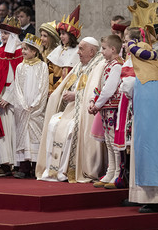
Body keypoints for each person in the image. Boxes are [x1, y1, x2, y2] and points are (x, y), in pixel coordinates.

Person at [121, 25, 158, 213]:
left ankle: (155, 200)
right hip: (156, 122)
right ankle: (154, 197)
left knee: (150, 149)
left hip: (149, 123)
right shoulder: (156, 73)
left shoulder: (146, 77)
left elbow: (127, 87)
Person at [36, 37, 106, 183]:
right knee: (54, 123)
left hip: (87, 111)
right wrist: (60, 95)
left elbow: (95, 91)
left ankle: (69, 169)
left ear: (92, 52)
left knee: (69, 128)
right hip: (73, 108)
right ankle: (56, 169)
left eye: (81, 49)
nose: (78, 52)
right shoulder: (81, 65)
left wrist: (76, 95)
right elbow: (67, 84)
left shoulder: (99, 65)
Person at [0, 16, 23, 177]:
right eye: (1, 33)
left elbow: (20, 78)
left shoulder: (21, 53)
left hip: (15, 98)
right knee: (3, 132)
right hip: (0, 98)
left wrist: (9, 96)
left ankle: (18, 164)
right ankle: (5, 164)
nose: (3, 36)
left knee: (15, 131)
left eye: (6, 34)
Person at [88, 35, 124, 189]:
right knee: (109, 142)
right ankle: (110, 172)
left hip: (113, 108)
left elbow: (109, 89)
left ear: (113, 49)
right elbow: (100, 86)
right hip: (106, 107)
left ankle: (117, 173)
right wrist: (93, 100)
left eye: (104, 48)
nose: (101, 52)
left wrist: (97, 105)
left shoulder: (117, 65)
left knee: (114, 141)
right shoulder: (107, 64)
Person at [13, 33, 48, 179]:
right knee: (24, 135)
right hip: (23, 108)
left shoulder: (42, 66)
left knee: (35, 136)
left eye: (26, 49)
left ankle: (36, 166)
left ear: (34, 51)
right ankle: (24, 166)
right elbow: (18, 88)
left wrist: (35, 105)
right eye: (22, 49)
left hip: (35, 108)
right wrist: (22, 104)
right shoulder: (20, 67)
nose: (23, 52)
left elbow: (43, 88)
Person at [47, 5, 81, 93]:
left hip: (65, 89)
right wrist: (51, 88)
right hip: (52, 88)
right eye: (60, 34)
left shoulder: (77, 51)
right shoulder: (58, 49)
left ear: (71, 35)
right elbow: (50, 70)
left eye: (63, 34)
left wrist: (58, 87)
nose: (61, 36)